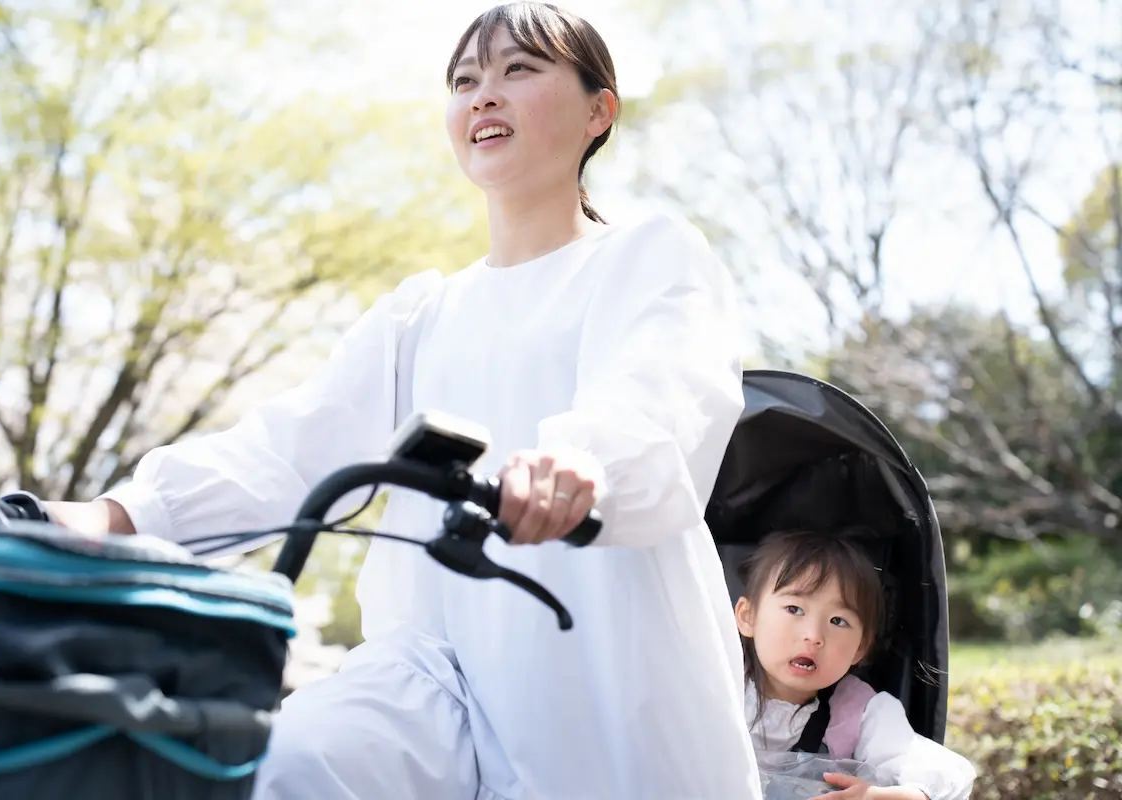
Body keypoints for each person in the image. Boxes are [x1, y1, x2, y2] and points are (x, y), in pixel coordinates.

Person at [43, 3, 761, 797]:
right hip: (432, 669)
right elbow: (291, 448)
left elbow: (660, 390)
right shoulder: (421, 315)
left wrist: (578, 463)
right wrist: (116, 518)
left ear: (600, 109)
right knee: (293, 760)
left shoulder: (647, 255)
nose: (484, 95)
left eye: (519, 70)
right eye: (465, 81)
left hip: (603, 672)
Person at [734, 529, 977, 800]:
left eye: (838, 621)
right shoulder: (716, 685)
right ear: (748, 616)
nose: (813, 636)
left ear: (860, 647)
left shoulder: (859, 712)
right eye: (794, 609)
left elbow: (947, 773)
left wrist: (876, 796)